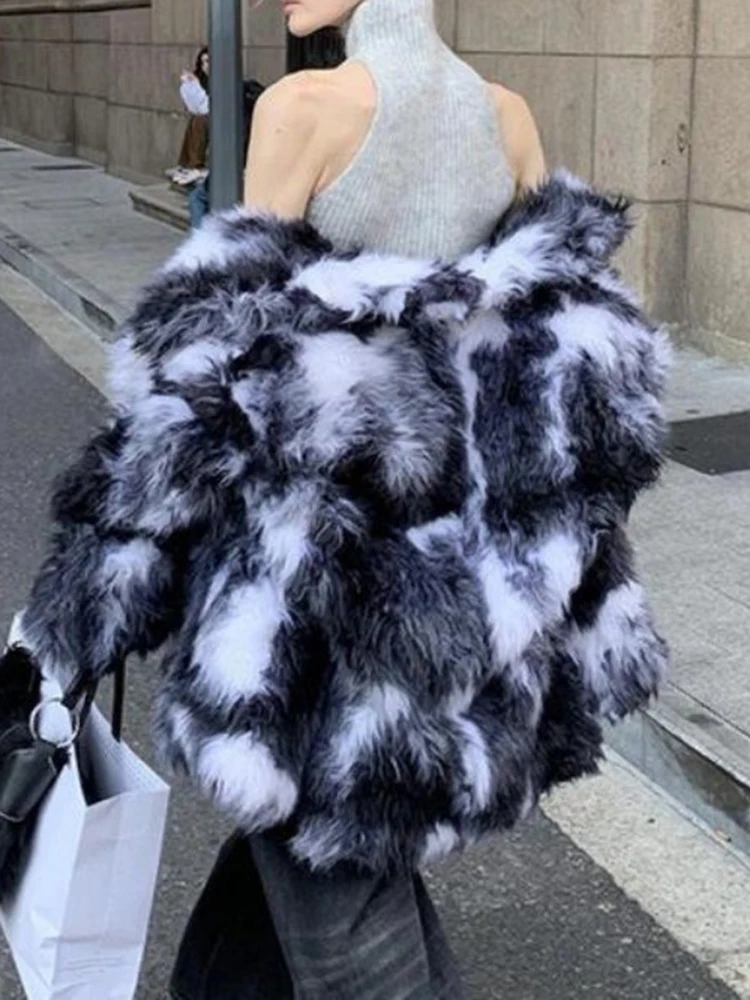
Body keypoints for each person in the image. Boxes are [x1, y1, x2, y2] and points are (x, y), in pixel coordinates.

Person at [177, 0, 545, 996]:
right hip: (453, 558)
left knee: (333, 866)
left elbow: (239, 352)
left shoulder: (303, 107)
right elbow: (546, 354)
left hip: (316, 555)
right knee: (342, 830)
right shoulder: (507, 116)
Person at [172, 47, 210, 188]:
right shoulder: (202, 79)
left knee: (199, 120)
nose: (206, 65)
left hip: (227, 119)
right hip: (209, 118)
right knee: (195, 119)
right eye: (203, 62)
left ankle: (196, 165)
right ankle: (185, 164)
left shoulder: (223, 78)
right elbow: (195, 107)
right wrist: (192, 84)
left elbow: (207, 106)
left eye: (208, 61)